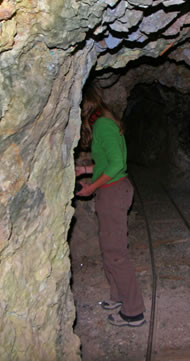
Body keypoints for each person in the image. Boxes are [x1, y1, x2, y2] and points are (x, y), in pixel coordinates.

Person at [75, 85, 146, 327]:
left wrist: (91, 188)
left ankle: (134, 311)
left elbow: (116, 164)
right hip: (111, 192)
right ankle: (118, 296)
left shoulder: (103, 126)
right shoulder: (103, 124)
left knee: (117, 253)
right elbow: (107, 162)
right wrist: (85, 170)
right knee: (109, 248)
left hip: (113, 192)